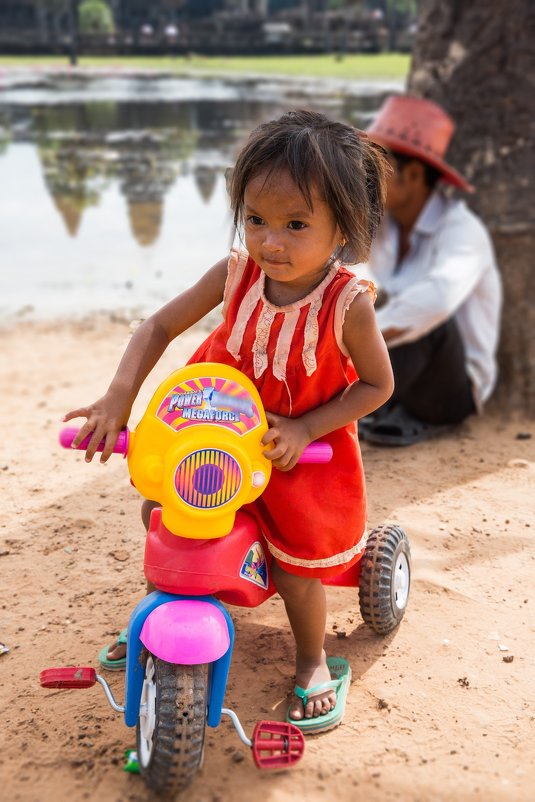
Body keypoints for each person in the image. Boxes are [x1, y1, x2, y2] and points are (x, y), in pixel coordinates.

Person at [63, 110, 394, 732]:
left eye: (297, 225)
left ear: (343, 229)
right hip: (212, 428)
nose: (272, 241)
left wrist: (305, 429)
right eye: (257, 219)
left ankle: (311, 659)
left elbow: (379, 386)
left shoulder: (345, 304)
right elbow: (158, 325)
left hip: (295, 448)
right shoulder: (235, 274)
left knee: (297, 567)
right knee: (167, 517)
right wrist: (117, 400)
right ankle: (172, 609)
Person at [358, 95, 502, 446]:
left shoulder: (461, 230)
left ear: (414, 174)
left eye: (380, 168)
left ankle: (342, 410)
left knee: (428, 319)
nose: (369, 179)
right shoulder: (383, 227)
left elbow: (437, 299)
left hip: (451, 388)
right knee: (355, 298)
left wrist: (357, 339)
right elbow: (354, 271)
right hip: (395, 364)